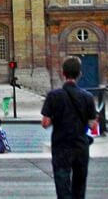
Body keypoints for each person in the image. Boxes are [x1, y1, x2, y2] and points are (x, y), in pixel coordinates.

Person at [41, 56, 97, 199]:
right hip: (80, 145)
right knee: (80, 183)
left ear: (62, 73)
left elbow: (45, 123)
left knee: (62, 182)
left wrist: (57, 117)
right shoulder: (88, 97)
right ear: (79, 74)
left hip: (61, 145)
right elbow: (93, 125)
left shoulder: (53, 96)